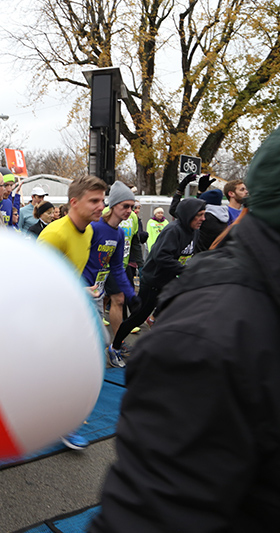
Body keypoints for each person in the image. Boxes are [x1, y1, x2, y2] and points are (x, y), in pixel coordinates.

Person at [90, 126, 280, 533]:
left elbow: (122, 261)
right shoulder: (208, 334)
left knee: (130, 315)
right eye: (126, 208)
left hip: (148, 287)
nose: (198, 219)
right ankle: (105, 354)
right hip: (157, 284)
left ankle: (112, 346)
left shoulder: (178, 233)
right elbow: (152, 511)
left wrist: (124, 283)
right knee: (129, 322)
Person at [37, 174, 107, 450]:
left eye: (102, 200)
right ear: (74, 202)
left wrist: (83, 288)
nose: (101, 206)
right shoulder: (55, 234)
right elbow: (36, 280)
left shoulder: (89, 230)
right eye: (94, 201)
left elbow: (67, 272)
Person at [106, 196, 206, 362]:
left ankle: (162, 348)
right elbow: (161, 256)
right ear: (189, 214)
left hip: (172, 280)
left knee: (177, 313)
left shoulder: (194, 232)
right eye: (200, 215)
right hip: (154, 280)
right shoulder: (173, 230)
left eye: (204, 214)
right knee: (137, 318)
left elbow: (194, 253)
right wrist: (185, 269)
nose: (203, 218)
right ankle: (114, 347)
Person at [81, 181, 139, 368]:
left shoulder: (120, 234)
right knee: (96, 336)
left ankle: (89, 368)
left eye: (132, 206)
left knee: (98, 337)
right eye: (125, 206)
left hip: (98, 291)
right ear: (113, 205)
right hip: (82, 289)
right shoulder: (95, 227)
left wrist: (131, 295)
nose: (129, 210)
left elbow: (116, 268)